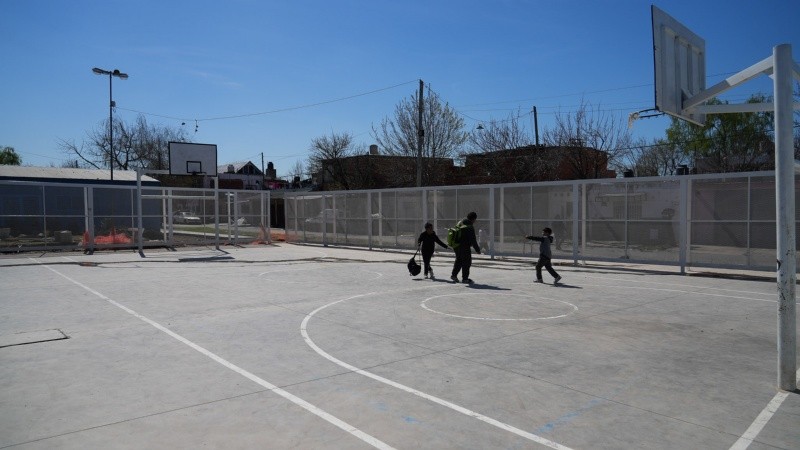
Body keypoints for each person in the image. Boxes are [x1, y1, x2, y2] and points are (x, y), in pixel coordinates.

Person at [450, 211, 481, 284]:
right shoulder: (469, 227)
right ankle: (465, 278)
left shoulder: (460, 223)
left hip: (456, 246)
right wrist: (477, 250)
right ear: (473, 219)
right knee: (467, 262)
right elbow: (473, 240)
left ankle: (454, 275)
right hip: (464, 247)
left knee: (459, 260)